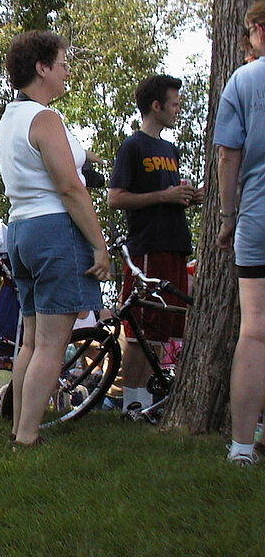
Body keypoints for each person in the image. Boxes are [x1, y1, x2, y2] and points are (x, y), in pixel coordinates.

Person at [0, 31, 110, 446]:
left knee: (29, 341)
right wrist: (99, 245)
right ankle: (27, 436)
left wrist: (84, 156)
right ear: (41, 68)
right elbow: (70, 189)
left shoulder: (11, 118)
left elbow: (48, 165)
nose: (66, 70)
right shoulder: (46, 119)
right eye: (62, 62)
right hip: (55, 231)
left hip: (21, 231)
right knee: (50, 344)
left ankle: (16, 429)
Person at [108, 75, 202, 413]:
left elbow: (169, 197)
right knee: (140, 331)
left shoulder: (170, 149)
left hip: (176, 245)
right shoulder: (133, 146)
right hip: (147, 248)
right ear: (156, 106)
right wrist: (164, 195)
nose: (178, 110)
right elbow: (115, 198)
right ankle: (131, 405)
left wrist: (189, 196)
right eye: (174, 104)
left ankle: (146, 405)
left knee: (162, 331)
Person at [215, 0, 265, 466]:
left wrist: (227, 216)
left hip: (258, 219)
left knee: (255, 332)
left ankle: (243, 446)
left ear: (257, 28)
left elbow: (229, 155)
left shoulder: (244, 81)